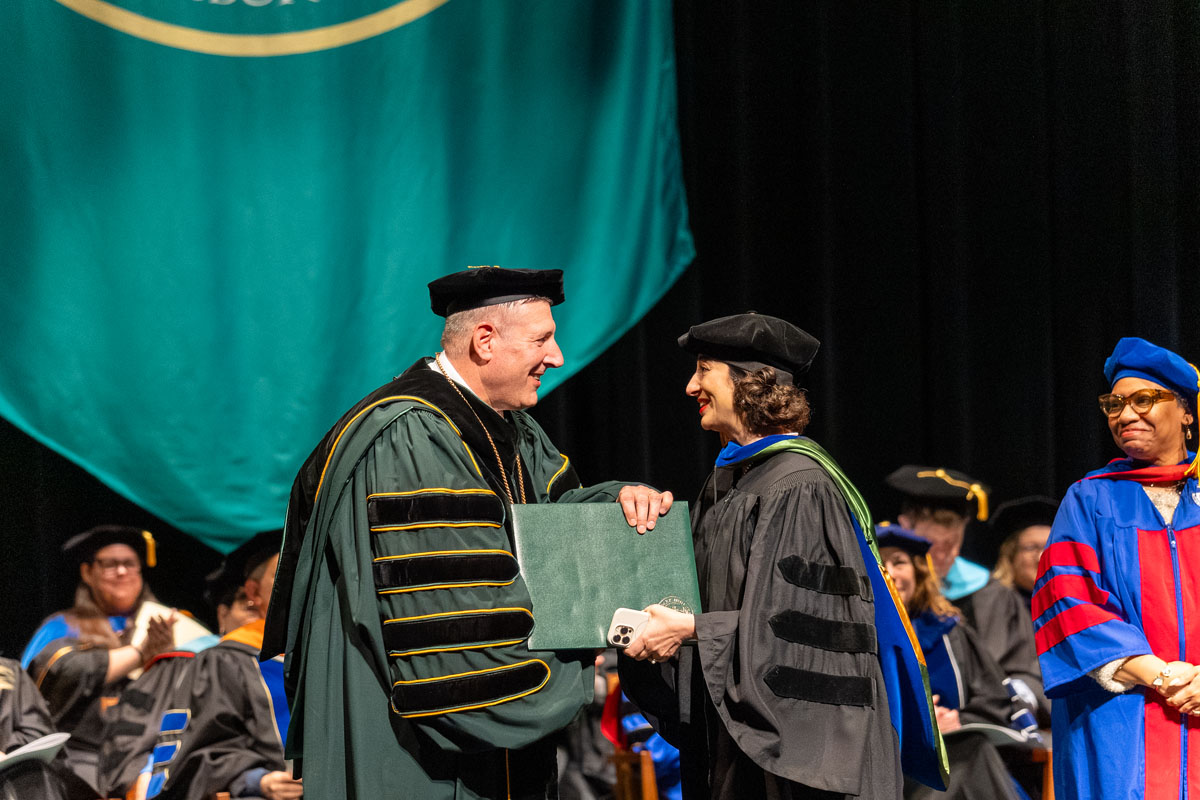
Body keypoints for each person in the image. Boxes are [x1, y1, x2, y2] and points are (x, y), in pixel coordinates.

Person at [262, 267, 673, 799]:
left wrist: (616, 500)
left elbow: (547, 516)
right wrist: (575, 660)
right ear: (485, 340)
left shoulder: (507, 424)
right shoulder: (411, 436)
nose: (557, 357)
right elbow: (450, 615)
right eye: (542, 339)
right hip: (418, 743)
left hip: (490, 753)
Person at [619, 313, 945, 800]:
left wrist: (691, 631)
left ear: (749, 384)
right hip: (738, 743)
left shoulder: (799, 485)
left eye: (703, 370)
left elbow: (807, 629)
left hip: (806, 760)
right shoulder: (729, 482)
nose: (690, 387)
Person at [1035, 337, 1200, 800]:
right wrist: (1164, 678)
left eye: (1144, 399)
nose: (1125, 415)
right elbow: (1071, 605)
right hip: (1119, 724)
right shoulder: (1091, 499)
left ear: (1187, 412)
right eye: (1115, 404)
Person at [20, 525, 209, 792]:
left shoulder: (172, 625)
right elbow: (52, 677)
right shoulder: (61, 627)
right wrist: (139, 655)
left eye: (130, 564)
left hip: (151, 752)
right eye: (110, 564)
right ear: (87, 572)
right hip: (80, 758)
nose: (122, 572)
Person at [876, 524, 1028, 800]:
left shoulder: (949, 632)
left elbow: (993, 697)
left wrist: (959, 718)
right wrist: (916, 720)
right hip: (888, 763)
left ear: (918, 572)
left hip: (953, 751)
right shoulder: (858, 635)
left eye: (899, 563)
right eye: (880, 563)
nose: (890, 573)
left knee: (973, 748)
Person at [885, 467, 1043, 715]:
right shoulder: (884, 590)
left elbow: (1026, 670)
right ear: (905, 527)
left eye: (953, 544)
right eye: (934, 547)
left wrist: (1004, 707)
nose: (949, 556)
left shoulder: (992, 594)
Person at [990, 497, 1057, 605]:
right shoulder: (995, 603)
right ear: (1011, 555)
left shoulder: (1073, 604)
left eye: (1049, 548)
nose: (1041, 557)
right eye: (1031, 548)